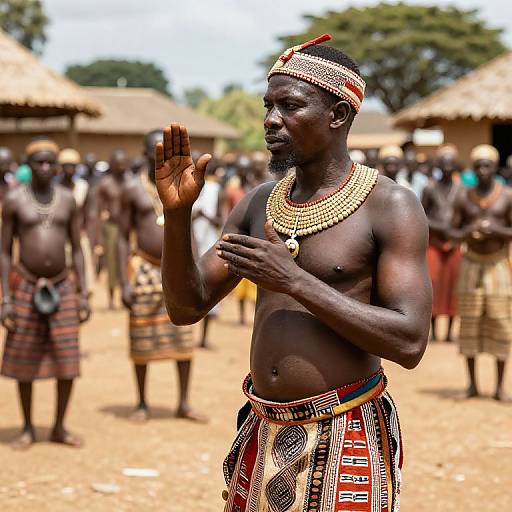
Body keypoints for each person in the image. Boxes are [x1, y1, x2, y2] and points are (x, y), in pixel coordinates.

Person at [156, 35, 431, 511]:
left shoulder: (389, 206)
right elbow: (185, 306)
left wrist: (294, 281)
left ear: (338, 115)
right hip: (262, 433)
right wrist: (178, 216)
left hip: (346, 433)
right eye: (268, 105)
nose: (270, 120)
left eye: (289, 105)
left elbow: (409, 341)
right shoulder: (259, 203)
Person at [0, 139, 90, 450]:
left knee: (66, 359)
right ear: (28, 165)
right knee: (25, 358)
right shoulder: (14, 201)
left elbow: (77, 248)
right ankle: (26, 427)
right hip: (25, 283)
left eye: (50, 162)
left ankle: (59, 427)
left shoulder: (67, 199)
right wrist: (6, 298)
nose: (45, 168)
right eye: (38, 162)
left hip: (63, 284)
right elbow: (3, 252)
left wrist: (83, 292)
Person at [117, 130, 206, 423]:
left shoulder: (183, 183)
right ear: (146, 153)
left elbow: (189, 227)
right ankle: (142, 402)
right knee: (141, 337)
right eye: (158, 149)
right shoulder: (132, 190)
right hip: (143, 268)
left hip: (177, 267)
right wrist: (123, 281)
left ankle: (183, 402)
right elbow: (120, 237)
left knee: (183, 336)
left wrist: (196, 268)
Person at [450, 144, 512, 401]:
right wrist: (466, 233)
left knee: (501, 321)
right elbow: (452, 231)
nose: (482, 170)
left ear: (495, 168)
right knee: (469, 322)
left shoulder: (507, 196)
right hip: (471, 263)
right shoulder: (463, 196)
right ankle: (472, 384)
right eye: (478, 166)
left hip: (498, 264)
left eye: (487, 166)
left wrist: (496, 231)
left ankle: (499, 387)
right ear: (472, 169)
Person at [422, 145, 462, 341]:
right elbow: (422, 215)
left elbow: (464, 217)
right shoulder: (430, 188)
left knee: (454, 286)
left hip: (455, 244)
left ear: (456, 165)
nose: (447, 166)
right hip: (434, 243)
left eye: (450, 162)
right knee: (434, 284)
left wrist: (455, 234)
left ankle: (449, 333)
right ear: (438, 164)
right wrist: (440, 227)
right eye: (443, 162)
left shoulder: (462, 189)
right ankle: (435, 332)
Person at [192, 159, 223, 348]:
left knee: (209, 286)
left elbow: (220, 219)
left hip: (209, 242)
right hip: (189, 242)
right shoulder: (187, 187)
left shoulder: (216, 190)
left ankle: (204, 337)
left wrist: (205, 216)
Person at [96, 150, 130, 309]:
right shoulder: (105, 184)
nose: (121, 166)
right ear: (112, 165)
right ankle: (111, 298)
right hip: (111, 227)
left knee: (128, 262)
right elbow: (99, 208)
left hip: (128, 226)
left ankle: (127, 293)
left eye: (124, 163)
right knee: (111, 262)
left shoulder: (131, 183)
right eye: (118, 163)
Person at [58, 148, 96, 291]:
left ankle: (84, 292)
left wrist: (87, 234)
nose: (69, 169)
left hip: (79, 235)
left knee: (83, 268)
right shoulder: (56, 188)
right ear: (60, 167)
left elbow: (88, 214)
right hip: (60, 235)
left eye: (72, 166)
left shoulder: (82, 187)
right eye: (66, 165)